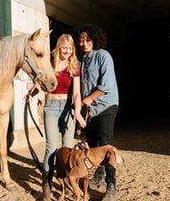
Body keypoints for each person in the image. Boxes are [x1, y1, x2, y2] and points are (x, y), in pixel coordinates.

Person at [28, 34, 86, 201]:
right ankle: (46, 185)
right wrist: (31, 94)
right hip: (51, 108)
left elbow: (76, 93)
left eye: (70, 48)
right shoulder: (51, 64)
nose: (67, 51)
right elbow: (42, 83)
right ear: (59, 47)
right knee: (51, 148)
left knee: (67, 149)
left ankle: (67, 183)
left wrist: (78, 111)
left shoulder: (74, 66)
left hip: (67, 108)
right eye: (64, 47)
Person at [73, 24, 119, 201]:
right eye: (81, 40)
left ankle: (111, 186)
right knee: (92, 147)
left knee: (106, 146)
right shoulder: (81, 61)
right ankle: (97, 175)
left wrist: (90, 98)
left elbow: (106, 85)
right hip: (90, 109)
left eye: (88, 40)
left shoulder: (103, 56)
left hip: (106, 105)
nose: (84, 43)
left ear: (95, 40)